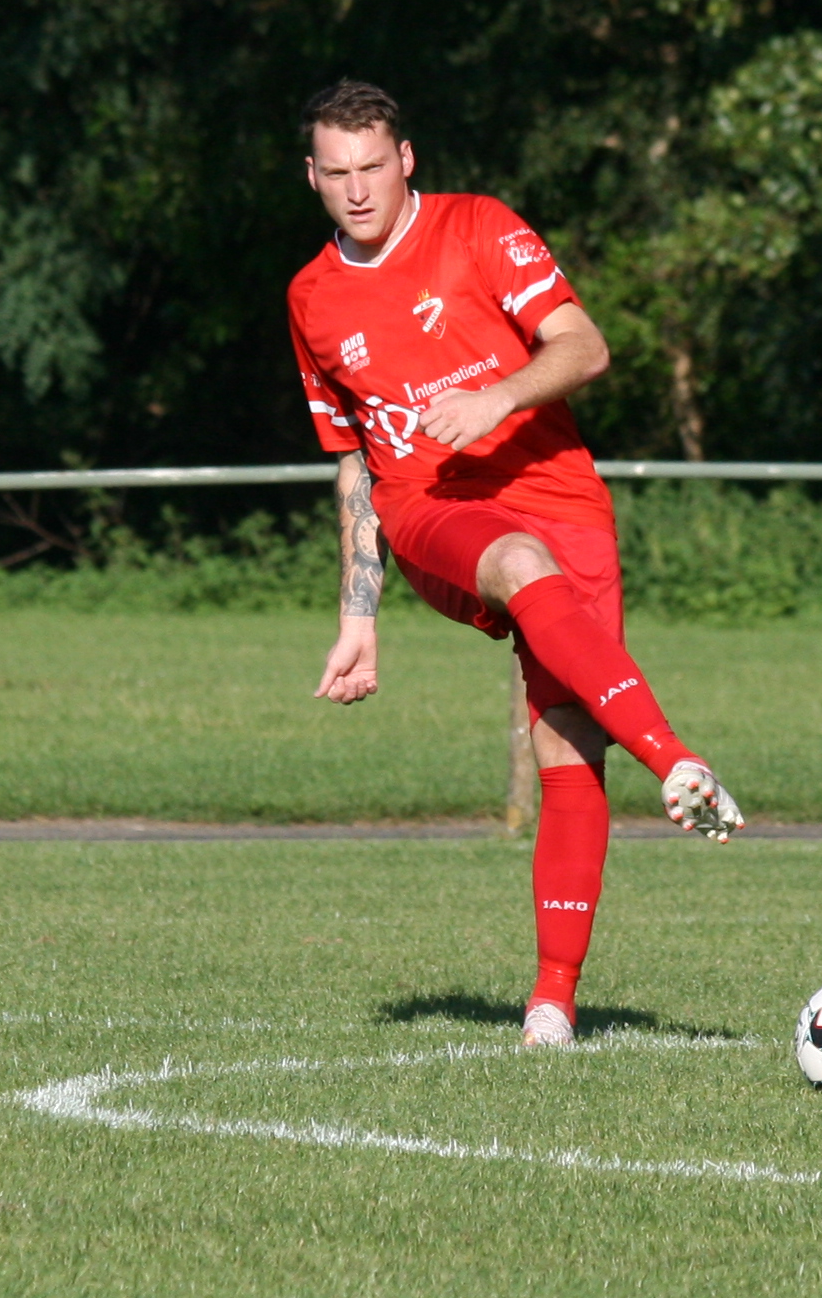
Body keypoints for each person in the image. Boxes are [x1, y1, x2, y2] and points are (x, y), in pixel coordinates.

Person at [286, 78, 743, 1048]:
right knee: (515, 557)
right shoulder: (312, 299)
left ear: (406, 160)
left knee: (569, 753)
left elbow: (585, 346)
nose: (359, 189)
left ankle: (551, 1005)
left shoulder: (481, 228)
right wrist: (357, 618)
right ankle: (680, 763)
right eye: (338, 173)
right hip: (433, 511)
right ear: (313, 177)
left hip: (561, 490)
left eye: (374, 167)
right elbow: (356, 471)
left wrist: (497, 399)